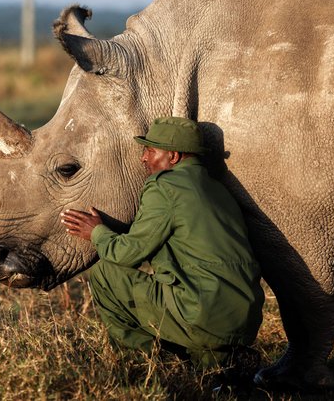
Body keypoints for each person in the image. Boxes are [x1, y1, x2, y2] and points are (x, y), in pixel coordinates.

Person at [61, 117, 264, 375]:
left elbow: (127, 254)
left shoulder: (165, 186)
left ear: (174, 156)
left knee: (106, 273)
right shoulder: (219, 190)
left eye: (150, 150)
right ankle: (219, 360)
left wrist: (97, 232)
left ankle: (161, 363)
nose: (144, 158)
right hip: (245, 320)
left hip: (201, 315)